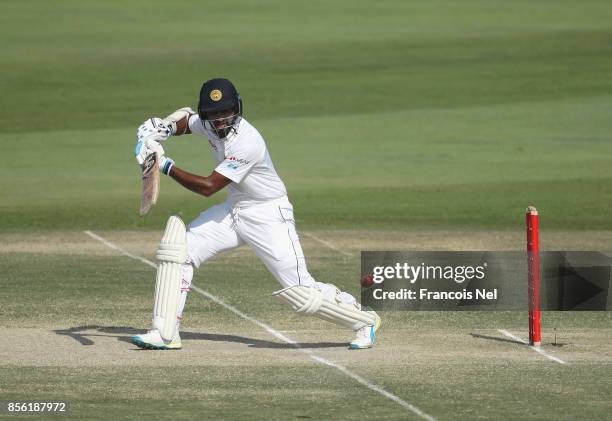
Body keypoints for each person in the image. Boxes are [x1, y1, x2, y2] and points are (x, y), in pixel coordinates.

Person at [131, 78, 381, 350]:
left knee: (301, 293)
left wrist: (164, 164)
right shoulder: (209, 124)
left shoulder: (248, 142)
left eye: (225, 112)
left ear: (237, 108)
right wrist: (164, 128)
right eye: (213, 115)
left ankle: (364, 319)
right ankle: (165, 333)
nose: (220, 120)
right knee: (177, 251)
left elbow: (207, 187)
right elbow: (187, 121)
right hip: (234, 210)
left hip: (268, 215)